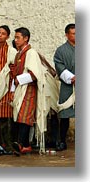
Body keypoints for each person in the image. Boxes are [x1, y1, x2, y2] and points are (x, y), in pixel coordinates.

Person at [10, 27, 44, 155]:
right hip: (20, 89)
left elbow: (35, 74)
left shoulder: (31, 53)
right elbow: (14, 74)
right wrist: (13, 89)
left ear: (26, 38)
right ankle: (25, 145)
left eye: (18, 37)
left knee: (25, 116)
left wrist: (19, 80)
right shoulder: (19, 54)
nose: (16, 40)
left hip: (29, 89)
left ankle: (20, 144)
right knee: (19, 115)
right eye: (15, 37)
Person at [53, 23, 75, 151]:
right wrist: (72, 78)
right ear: (67, 35)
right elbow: (59, 65)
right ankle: (62, 140)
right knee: (65, 113)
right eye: (73, 33)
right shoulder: (61, 51)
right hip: (68, 85)